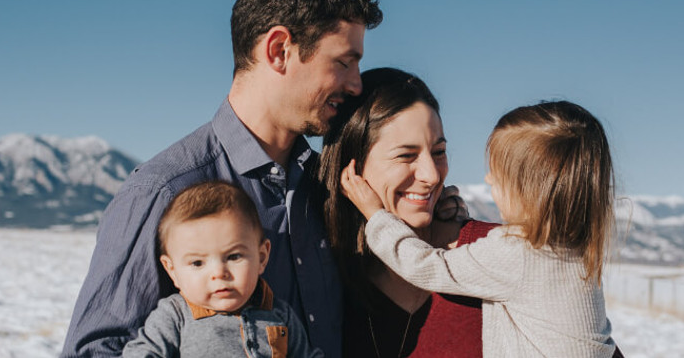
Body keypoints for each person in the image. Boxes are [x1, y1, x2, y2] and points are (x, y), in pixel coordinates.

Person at [62, 0, 382, 358]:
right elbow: (95, 350)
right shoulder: (163, 191)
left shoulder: (327, 185)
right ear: (279, 50)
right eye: (344, 62)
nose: (356, 84)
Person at [340, 100, 621, 357]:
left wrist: (376, 215)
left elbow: (424, 266)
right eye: (406, 155)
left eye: (498, 175)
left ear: (529, 189)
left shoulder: (517, 252)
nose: (487, 178)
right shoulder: (575, 254)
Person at [317, 67, 498, 358]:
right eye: (406, 155)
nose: (431, 175)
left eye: (438, 152)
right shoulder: (327, 277)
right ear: (353, 168)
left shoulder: (493, 252)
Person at [122, 181, 321, 358]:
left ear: (261, 257)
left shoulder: (279, 313)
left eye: (234, 257)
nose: (219, 274)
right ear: (172, 270)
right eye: (197, 263)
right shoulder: (175, 316)